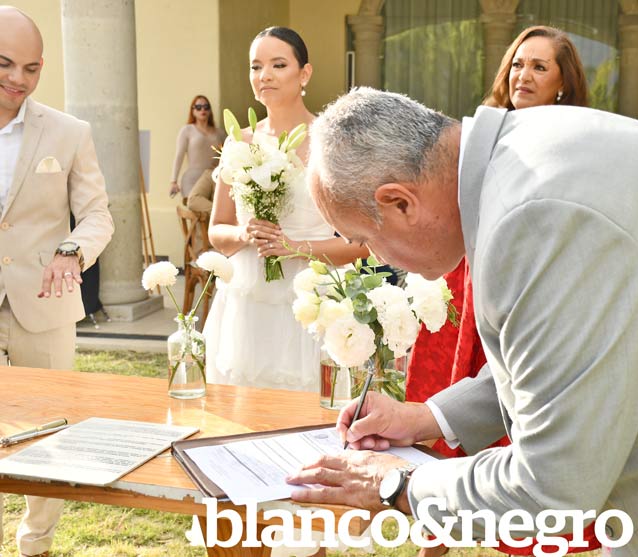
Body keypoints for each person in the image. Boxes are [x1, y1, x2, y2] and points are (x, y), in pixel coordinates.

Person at [285, 87, 638, 556]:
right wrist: (428, 417)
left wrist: (400, 486)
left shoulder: (535, 217)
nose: (375, 255)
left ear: (400, 202)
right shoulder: (526, 153)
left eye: (364, 238)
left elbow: (552, 486)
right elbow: (575, 356)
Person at [404, 26, 597, 556]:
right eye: (517, 64)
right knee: (450, 400)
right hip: (469, 280)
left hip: (529, 279)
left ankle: (525, 534)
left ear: (563, 81)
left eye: (539, 66)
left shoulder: (576, 136)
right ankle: (432, 535)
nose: (523, 75)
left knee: (517, 402)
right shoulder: (482, 132)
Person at [0, 6, 114, 557]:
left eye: (31, 68)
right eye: (4, 64)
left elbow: (97, 214)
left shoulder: (70, 132)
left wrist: (72, 251)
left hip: (43, 305)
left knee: (49, 431)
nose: (18, 79)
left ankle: (35, 544)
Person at [204, 27, 367, 402]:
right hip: (247, 300)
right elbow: (217, 232)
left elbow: (362, 245)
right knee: (244, 408)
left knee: (311, 404)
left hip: (312, 296)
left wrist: (295, 247)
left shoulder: (333, 144)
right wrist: (245, 234)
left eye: (278, 65)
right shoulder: (239, 141)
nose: (265, 75)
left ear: (304, 73)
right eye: (256, 66)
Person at [169, 94, 224, 200]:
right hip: (192, 179)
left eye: (206, 107)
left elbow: (228, 155)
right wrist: (173, 181)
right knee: (194, 204)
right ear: (193, 111)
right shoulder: (187, 130)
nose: (202, 110)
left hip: (212, 178)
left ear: (210, 110)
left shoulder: (219, 133)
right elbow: (179, 156)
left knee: (213, 208)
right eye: (198, 107)